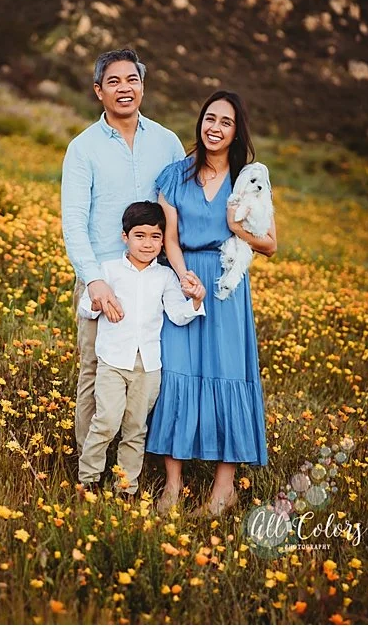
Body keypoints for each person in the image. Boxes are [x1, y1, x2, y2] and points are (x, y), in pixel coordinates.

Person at [148, 90, 276, 516]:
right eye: (209, 118)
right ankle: (172, 486)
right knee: (176, 374)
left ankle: (223, 490)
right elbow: (168, 237)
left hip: (226, 287)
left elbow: (271, 244)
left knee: (227, 374)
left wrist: (233, 228)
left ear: (236, 132)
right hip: (182, 278)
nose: (214, 127)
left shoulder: (248, 179)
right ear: (200, 122)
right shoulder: (174, 175)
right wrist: (184, 277)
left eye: (225, 122)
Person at [61, 48, 186, 462]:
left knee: (147, 370)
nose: (124, 88)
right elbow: (74, 221)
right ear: (99, 91)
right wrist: (94, 280)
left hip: (153, 279)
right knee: (96, 371)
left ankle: (135, 464)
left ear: (142, 86)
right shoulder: (83, 148)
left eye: (131, 79)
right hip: (104, 278)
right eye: (113, 81)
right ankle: (89, 463)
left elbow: (177, 210)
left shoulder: (168, 142)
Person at [75, 201, 206, 496]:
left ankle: (126, 487)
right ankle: (89, 478)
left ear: (163, 239)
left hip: (148, 366)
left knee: (136, 429)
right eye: (140, 235)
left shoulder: (165, 276)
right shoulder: (107, 270)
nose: (148, 244)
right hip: (112, 361)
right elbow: (86, 307)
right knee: (106, 421)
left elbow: (177, 314)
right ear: (125, 237)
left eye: (155, 237)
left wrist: (196, 301)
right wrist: (98, 302)